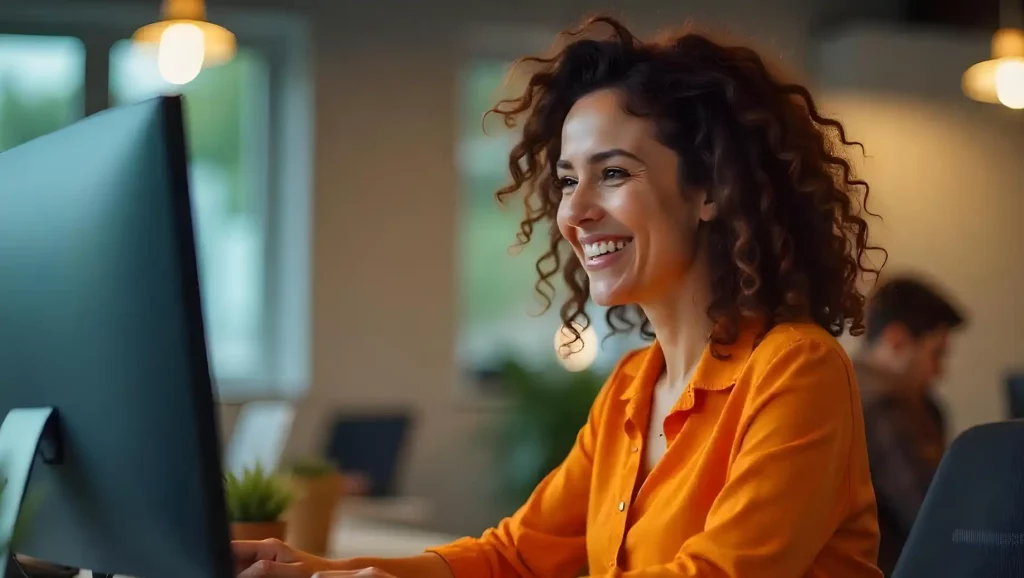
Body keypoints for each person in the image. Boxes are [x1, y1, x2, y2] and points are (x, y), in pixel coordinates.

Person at [234, 14, 887, 578]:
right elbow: (515, 557)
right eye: (568, 180)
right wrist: (312, 568)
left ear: (709, 188)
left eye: (613, 173)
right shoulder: (633, 388)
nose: (574, 211)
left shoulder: (796, 369)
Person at [854, 277, 965, 575]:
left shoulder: (847, 388)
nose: (940, 372)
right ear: (897, 340)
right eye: (936, 354)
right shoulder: (888, 410)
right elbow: (943, 522)